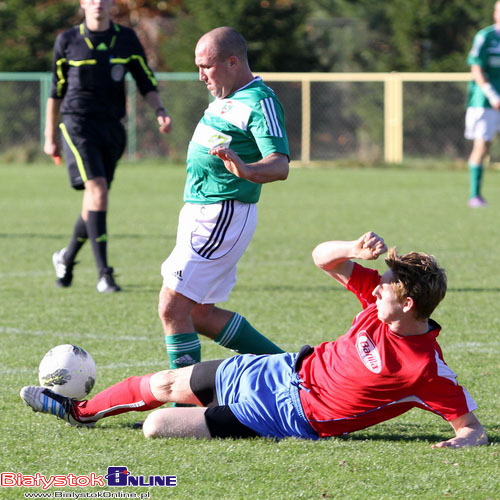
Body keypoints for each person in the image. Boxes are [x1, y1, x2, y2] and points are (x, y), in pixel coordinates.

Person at [20, 231, 488, 448]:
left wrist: (459, 443)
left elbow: (472, 428)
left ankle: (214, 416)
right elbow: (320, 256)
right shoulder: (377, 307)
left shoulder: (426, 369)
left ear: (408, 305)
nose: (378, 284)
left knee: (157, 425)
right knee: (164, 383)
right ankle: (79, 412)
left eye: (387, 283)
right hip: (281, 369)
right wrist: (350, 249)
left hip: (284, 415)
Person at [157, 27, 289, 370]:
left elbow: (279, 164)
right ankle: (293, 370)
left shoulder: (260, 100)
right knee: (200, 313)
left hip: (222, 213)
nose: (200, 75)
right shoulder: (226, 95)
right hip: (202, 211)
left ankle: (182, 400)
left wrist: (246, 169)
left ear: (232, 62)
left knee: (173, 307)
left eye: (206, 66)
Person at [46, 0, 172, 293]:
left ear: (112, 3)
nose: (98, 4)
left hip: (113, 127)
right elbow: (56, 90)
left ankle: (65, 257)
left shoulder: (126, 38)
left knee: (94, 201)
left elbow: (145, 80)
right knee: (98, 191)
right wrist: (49, 136)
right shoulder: (67, 40)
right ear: (83, 3)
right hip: (77, 124)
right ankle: (104, 274)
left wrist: (160, 110)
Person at [464, 0, 500, 208]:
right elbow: (476, 69)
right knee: (482, 145)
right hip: (485, 101)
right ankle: (475, 195)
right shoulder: (485, 37)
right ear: (496, 14)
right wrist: (492, 95)